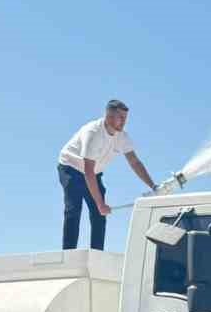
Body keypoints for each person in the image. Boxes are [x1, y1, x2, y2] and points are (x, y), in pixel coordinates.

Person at [57, 98, 158, 250]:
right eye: (121, 118)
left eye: (125, 118)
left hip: (93, 172)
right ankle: (68, 253)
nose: (124, 122)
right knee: (74, 209)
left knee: (99, 215)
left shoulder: (122, 137)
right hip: (71, 167)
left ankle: (97, 253)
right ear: (109, 117)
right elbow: (88, 171)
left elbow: (135, 162)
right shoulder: (93, 133)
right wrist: (100, 203)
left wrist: (153, 186)